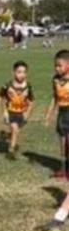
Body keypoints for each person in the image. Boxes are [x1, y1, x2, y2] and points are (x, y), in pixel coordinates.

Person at [0, 61, 34, 160]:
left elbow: (31, 101)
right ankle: (11, 151)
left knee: (15, 132)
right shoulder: (7, 85)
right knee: (15, 129)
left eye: (24, 72)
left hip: (21, 113)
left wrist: (27, 113)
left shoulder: (28, 86)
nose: (22, 75)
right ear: (13, 72)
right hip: (9, 112)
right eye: (19, 72)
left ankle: (6, 135)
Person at [45, 50, 69, 178]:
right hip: (62, 113)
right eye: (55, 65)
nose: (57, 68)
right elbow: (54, 97)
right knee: (62, 142)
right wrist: (49, 114)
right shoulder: (55, 80)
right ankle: (63, 168)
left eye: (60, 65)